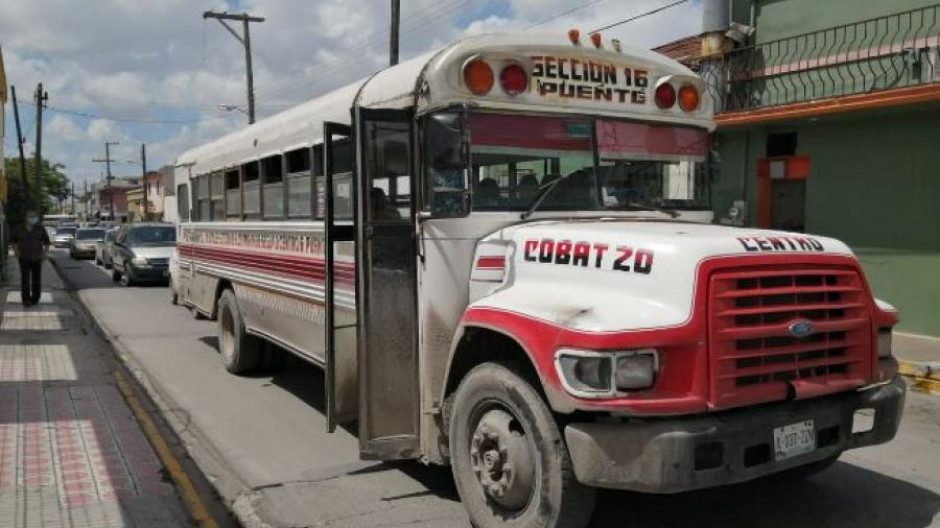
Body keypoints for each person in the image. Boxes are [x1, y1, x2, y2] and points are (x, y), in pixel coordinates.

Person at [10, 210, 51, 306]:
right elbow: (12, 241)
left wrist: (45, 253)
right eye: (30, 217)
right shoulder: (19, 228)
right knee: (25, 279)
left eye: (34, 217)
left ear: (36, 218)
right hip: (23, 257)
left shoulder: (40, 228)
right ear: (26, 218)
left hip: (37, 257)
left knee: (36, 279)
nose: (32, 218)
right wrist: (16, 251)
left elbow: (47, 242)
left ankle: (35, 299)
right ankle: (26, 300)